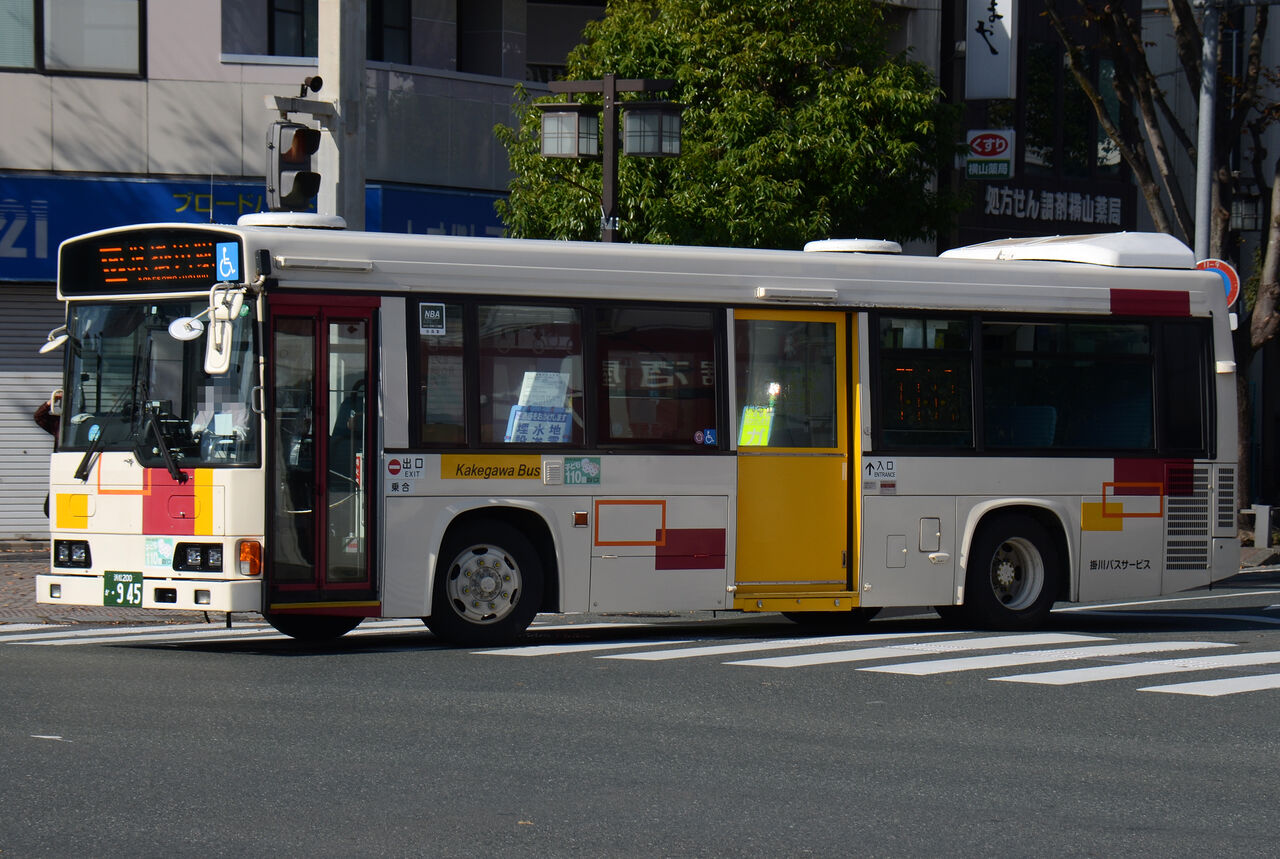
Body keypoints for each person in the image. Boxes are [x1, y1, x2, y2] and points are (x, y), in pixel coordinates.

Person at [34, 397, 60, 517]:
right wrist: (51, 402)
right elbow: (39, 417)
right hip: (64, 470)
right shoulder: (61, 424)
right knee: (50, 509)